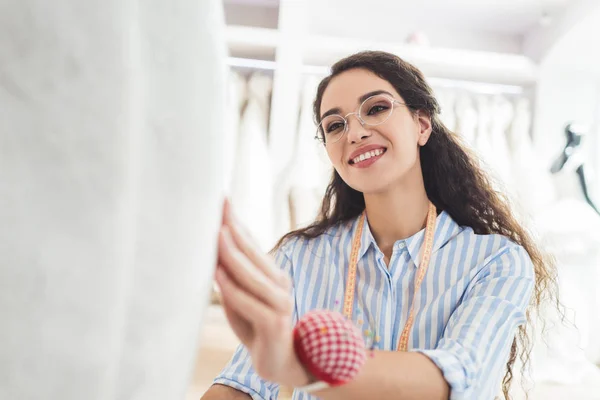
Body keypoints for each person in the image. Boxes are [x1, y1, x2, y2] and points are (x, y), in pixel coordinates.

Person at [201, 51, 559, 400]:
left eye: (376, 109)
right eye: (335, 125)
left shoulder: (496, 262)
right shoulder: (298, 257)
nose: (354, 132)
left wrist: (297, 365)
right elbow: (241, 384)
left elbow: (456, 378)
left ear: (422, 124)